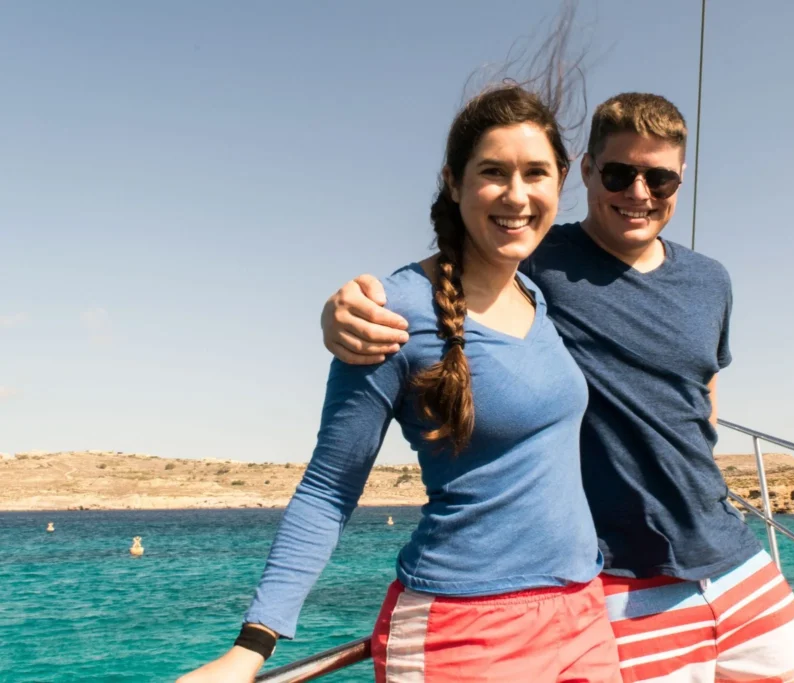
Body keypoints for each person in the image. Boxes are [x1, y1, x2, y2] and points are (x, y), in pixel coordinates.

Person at [322, 93, 794, 682]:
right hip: (624, 585)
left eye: (660, 179)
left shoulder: (711, 281)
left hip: (734, 558)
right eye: (620, 174)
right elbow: (441, 281)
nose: (639, 193)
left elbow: (704, 394)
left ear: (681, 179)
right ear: (588, 170)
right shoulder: (533, 260)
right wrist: (346, 307)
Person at [177, 83, 624, 683]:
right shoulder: (393, 311)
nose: (517, 195)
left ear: (561, 180)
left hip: (582, 616)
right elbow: (330, 487)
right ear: (454, 182)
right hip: (463, 632)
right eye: (493, 172)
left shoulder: (537, 296)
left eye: (535, 173)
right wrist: (249, 650)